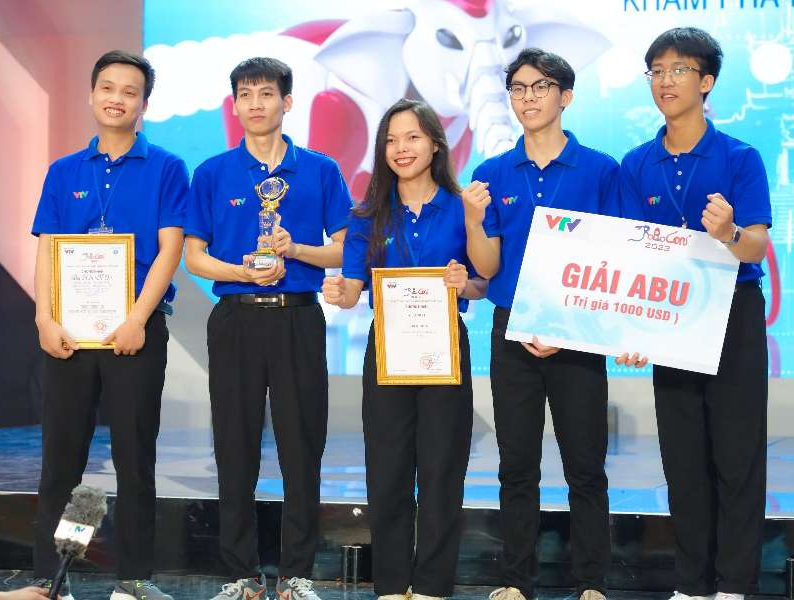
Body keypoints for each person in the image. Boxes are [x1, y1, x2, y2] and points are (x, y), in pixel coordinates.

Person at [184, 57, 352, 600]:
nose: (255, 103)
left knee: (302, 445)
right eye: (245, 94)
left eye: (266, 93)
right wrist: (240, 272)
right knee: (234, 445)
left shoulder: (320, 169)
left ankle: (296, 574)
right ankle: (241, 574)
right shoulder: (212, 173)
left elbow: (344, 249)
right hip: (235, 318)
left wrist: (296, 249)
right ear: (235, 104)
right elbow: (194, 255)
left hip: (298, 315)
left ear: (287, 101)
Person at [462, 48, 622, 600]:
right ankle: (516, 581)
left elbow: (616, 257)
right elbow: (486, 267)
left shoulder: (601, 170)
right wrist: (473, 219)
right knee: (516, 465)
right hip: (512, 330)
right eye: (518, 88)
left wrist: (573, 325)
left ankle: (592, 581)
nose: (528, 98)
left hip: (577, 332)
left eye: (541, 87)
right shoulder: (491, 173)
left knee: (586, 464)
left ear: (566, 96)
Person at [618, 27, 771, 600]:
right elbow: (631, 255)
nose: (666, 81)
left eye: (679, 70)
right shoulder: (637, 163)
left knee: (737, 454)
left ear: (706, 82)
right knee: (682, 457)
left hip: (733, 312)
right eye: (656, 71)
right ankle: (692, 583)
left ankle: (735, 584)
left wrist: (728, 231)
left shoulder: (739, 157)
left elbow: (755, 247)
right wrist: (630, 327)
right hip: (669, 316)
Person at [30, 50, 188, 600]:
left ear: (145, 104)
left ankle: (133, 577)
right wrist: (44, 318)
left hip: (135, 334)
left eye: (130, 91)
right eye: (107, 88)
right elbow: (48, 248)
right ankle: (51, 577)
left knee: (134, 459)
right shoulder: (64, 171)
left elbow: (170, 249)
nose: (117, 98)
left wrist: (138, 318)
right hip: (69, 336)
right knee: (62, 462)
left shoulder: (167, 167)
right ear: (92, 94)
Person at [322, 98, 486, 600]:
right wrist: (339, 292)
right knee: (388, 467)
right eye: (391, 140)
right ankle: (392, 584)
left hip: (445, 348)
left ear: (435, 143)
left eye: (412, 137)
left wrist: (464, 283)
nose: (401, 148)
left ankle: (433, 585)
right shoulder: (367, 214)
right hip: (388, 350)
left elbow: (481, 283)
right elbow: (353, 289)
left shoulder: (461, 208)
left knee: (442, 468)